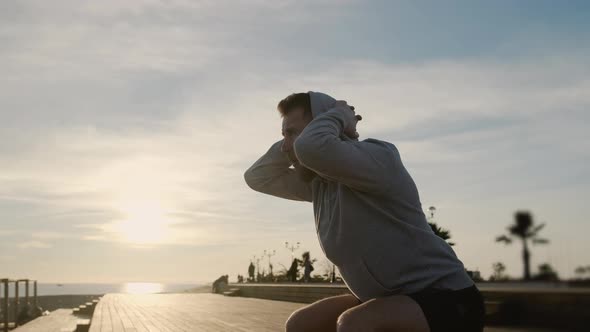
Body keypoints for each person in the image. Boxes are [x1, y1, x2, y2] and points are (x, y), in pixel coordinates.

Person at [244, 92, 485, 331]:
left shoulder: (378, 159)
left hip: (446, 297)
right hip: (382, 299)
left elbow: (310, 148)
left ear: (324, 127)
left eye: (293, 132)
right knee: (301, 324)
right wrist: (292, 141)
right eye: (284, 135)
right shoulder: (320, 185)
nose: (286, 146)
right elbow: (257, 177)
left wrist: (339, 114)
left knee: (354, 325)